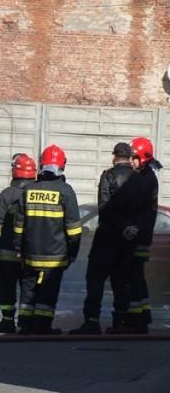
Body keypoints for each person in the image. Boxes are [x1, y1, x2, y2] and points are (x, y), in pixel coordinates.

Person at [13, 144, 82, 335]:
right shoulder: (66, 191)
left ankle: (24, 325)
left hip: (30, 253)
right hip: (55, 255)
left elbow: (19, 224)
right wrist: (73, 252)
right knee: (48, 291)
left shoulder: (28, 190)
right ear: (63, 165)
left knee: (28, 289)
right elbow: (74, 228)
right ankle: (42, 326)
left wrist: (18, 247)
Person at [69, 142, 135, 335]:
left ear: (114, 156)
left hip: (107, 238)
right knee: (122, 281)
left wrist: (121, 226)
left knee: (95, 279)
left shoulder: (108, 175)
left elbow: (104, 208)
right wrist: (130, 228)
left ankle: (91, 321)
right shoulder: (138, 178)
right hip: (127, 240)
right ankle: (120, 322)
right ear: (130, 157)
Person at [111, 137, 160, 334]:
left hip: (138, 237)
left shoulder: (144, 179)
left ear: (144, 158)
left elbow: (144, 211)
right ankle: (143, 318)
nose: (131, 161)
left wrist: (132, 228)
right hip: (141, 235)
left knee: (131, 277)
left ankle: (134, 321)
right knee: (137, 277)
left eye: (134, 158)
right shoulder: (146, 176)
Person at [0, 153, 37, 333]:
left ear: (15, 170)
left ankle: (7, 321)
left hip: (7, 252)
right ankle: (26, 322)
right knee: (28, 288)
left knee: (7, 288)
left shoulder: (6, 195)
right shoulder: (36, 194)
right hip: (29, 253)